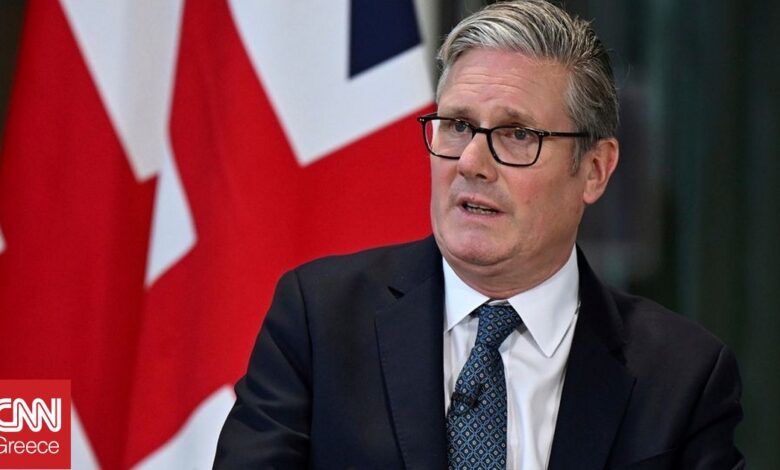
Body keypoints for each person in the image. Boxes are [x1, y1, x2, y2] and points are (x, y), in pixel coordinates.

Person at [213, 1, 744, 468]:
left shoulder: (683, 377)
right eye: (458, 125)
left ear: (595, 170)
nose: (470, 162)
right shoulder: (319, 320)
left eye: (517, 134)